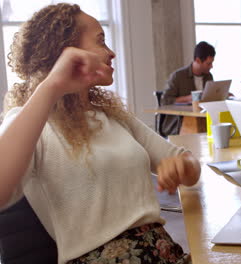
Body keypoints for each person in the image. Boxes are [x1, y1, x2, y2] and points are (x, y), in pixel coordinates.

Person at [0, 4, 200, 264]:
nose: (112, 53)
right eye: (101, 41)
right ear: (65, 52)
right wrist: (52, 85)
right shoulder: (31, 122)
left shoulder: (113, 116)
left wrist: (182, 167)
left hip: (162, 252)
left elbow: (189, 163)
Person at [159, 41, 215, 136]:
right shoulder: (178, 76)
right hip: (179, 123)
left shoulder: (208, 76)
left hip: (203, 119)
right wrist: (189, 98)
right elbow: (165, 101)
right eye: (208, 63)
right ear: (198, 60)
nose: (211, 66)